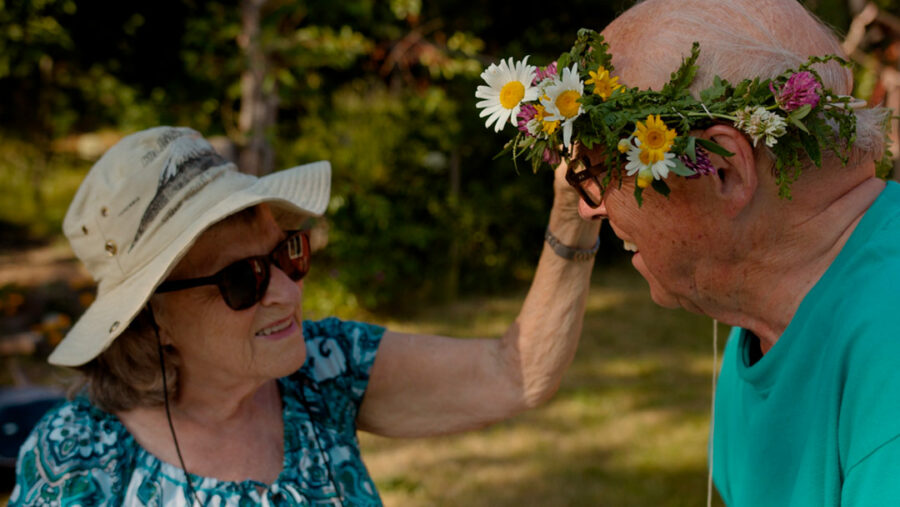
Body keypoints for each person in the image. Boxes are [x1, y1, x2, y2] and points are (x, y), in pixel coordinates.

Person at [10, 126, 600, 505]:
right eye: (242, 279)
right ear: (152, 317)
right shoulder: (81, 458)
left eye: (287, 252)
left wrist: (571, 214)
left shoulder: (322, 370)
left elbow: (512, 374)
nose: (289, 295)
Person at [556, 0, 897, 505]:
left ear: (722, 169)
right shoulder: (763, 317)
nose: (589, 208)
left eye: (604, 169)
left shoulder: (887, 356)